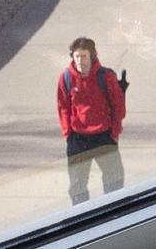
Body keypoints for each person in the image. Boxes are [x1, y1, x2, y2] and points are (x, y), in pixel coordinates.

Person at [56, 37, 127, 205]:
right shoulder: (66, 78)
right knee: (77, 185)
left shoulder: (106, 77)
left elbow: (118, 107)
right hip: (78, 140)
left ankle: (113, 210)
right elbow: (63, 108)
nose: (80, 60)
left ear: (92, 55)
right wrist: (68, 134)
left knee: (114, 180)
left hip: (104, 136)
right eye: (77, 56)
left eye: (84, 56)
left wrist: (114, 133)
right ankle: (81, 217)